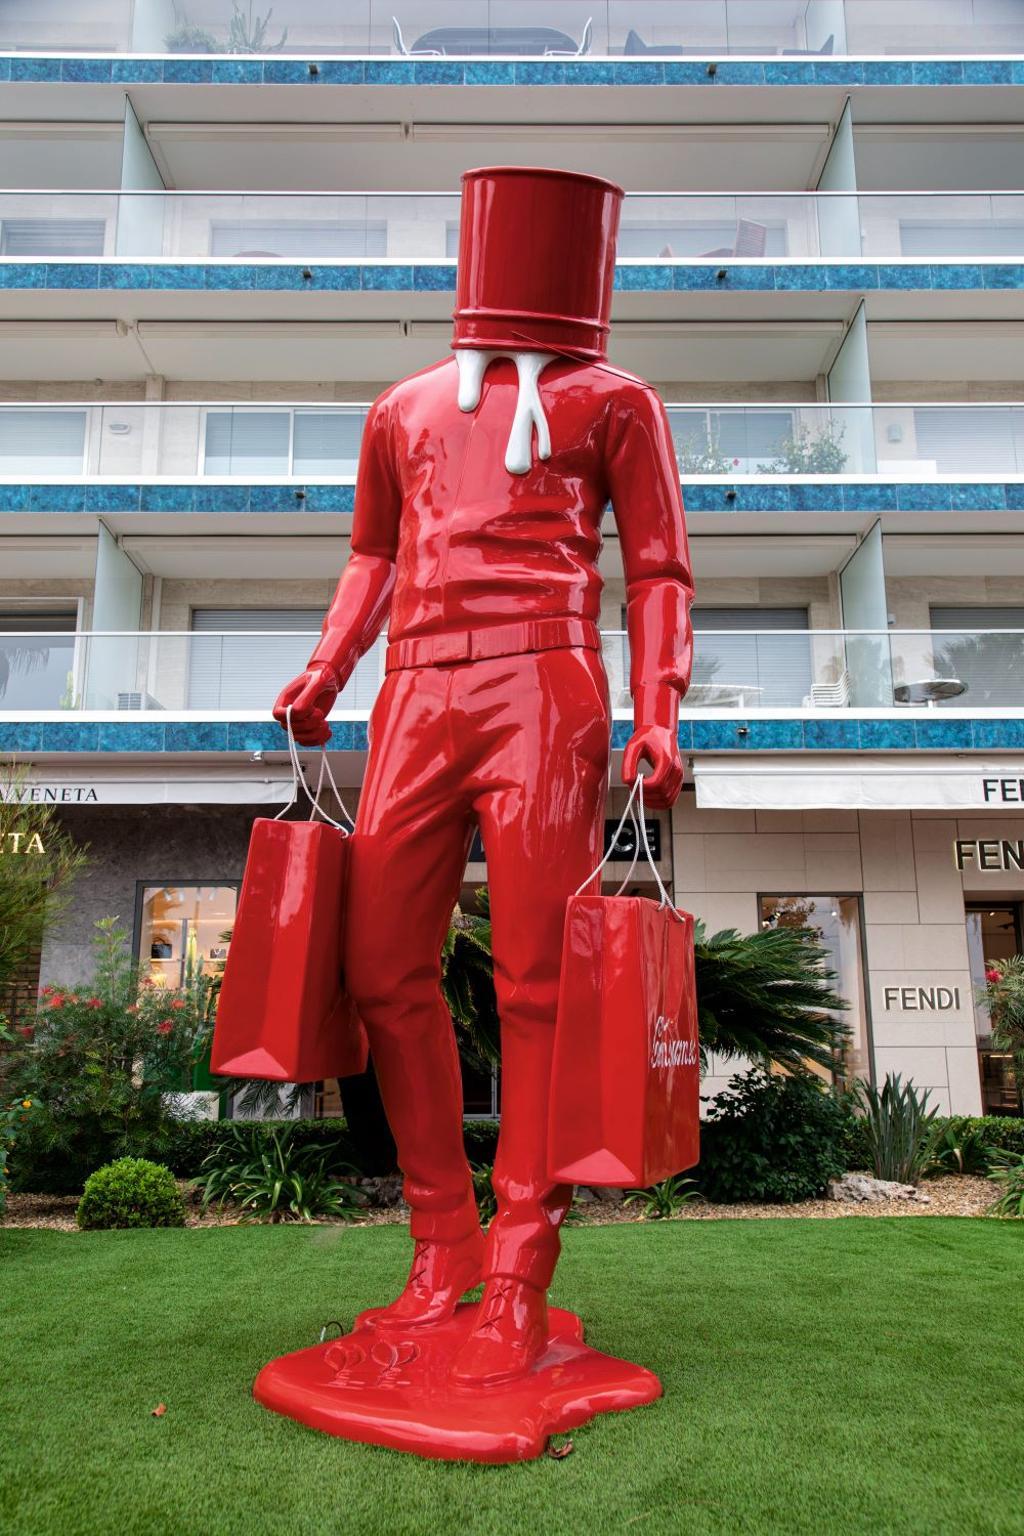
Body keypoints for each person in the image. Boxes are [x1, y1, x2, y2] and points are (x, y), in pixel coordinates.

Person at [273, 166, 693, 1387]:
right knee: (378, 965)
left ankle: (518, 1264)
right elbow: (372, 553)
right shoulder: (402, 409)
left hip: (545, 683)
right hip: (415, 687)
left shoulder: (614, 400)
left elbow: (658, 569)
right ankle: (440, 1237)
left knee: (540, 981)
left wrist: (660, 709)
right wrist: (327, 668)